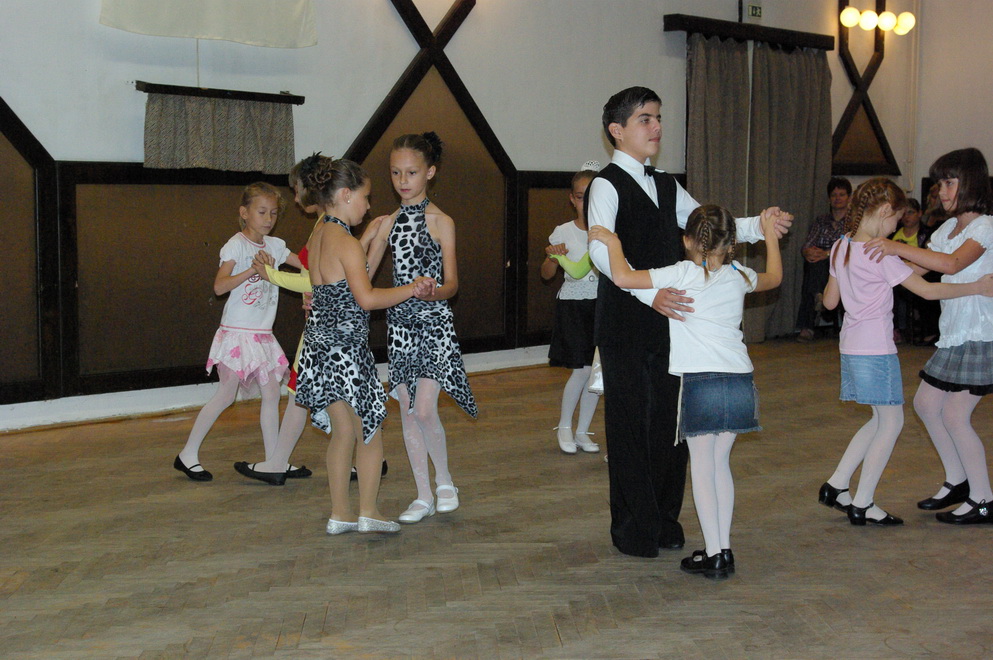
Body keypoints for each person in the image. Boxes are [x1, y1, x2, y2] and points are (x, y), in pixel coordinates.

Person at [584, 86, 792, 558]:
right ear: (617, 130)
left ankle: (664, 520)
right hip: (626, 322)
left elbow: (708, 229)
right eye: (645, 119)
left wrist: (762, 225)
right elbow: (600, 251)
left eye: (658, 117)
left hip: (671, 323)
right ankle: (634, 529)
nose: (657, 126)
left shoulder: (665, 184)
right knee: (630, 425)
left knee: (670, 423)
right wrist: (651, 295)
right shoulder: (605, 184)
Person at [589, 204, 782, 580]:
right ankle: (723, 547)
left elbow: (624, 277)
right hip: (741, 382)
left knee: (704, 469)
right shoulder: (739, 274)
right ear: (731, 244)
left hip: (701, 383)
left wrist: (613, 243)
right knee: (720, 465)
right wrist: (770, 235)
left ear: (688, 240)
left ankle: (714, 553)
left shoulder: (682, 272)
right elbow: (774, 277)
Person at [817, 177, 993, 526]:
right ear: (885, 211)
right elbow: (927, 292)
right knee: (891, 422)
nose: (896, 228)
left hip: (850, 347)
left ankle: (836, 485)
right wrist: (976, 287)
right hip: (877, 350)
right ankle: (863, 502)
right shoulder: (881, 254)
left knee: (878, 419)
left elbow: (829, 302)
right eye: (896, 219)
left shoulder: (840, 246)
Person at [292, 157, 435, 535]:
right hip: (347, 351)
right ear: (344, 194)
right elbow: (367, 298)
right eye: (365, 197)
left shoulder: (321, 235)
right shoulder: (346, 243)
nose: (368, 205)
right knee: (370, 431)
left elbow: (352, 284)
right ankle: (368, 511)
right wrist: (412, 288)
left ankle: (340, 513)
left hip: (321, 348)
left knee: (343, 433)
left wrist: (373, 238)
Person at [233, 154, 387, 485]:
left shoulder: (327, 228)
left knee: (314, 396)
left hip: (329, 331)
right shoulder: (328, 228)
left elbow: (322, 280)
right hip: (326, 328)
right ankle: (353, 462)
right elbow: (337, 273)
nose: (295, 197)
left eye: (296, 189)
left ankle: (290, 463)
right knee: (317, 397)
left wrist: (272, 275)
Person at [864, 148, 993, 524]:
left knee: (955, 415)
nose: (942, 191)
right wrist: (869, 264)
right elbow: (914, 268)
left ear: (971, 182)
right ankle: (958, 481)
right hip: (954, 334)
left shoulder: (985, 227)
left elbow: (951, 264)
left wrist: (893, 247)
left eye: (950, 182)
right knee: (925, 404)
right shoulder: (943, 231)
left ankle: (984, 498)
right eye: (940, 184)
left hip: (981, 333)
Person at [364, 132, 478, 525]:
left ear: (430, 172)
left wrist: (433, 292)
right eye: (395, 172)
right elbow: (364, 274)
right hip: (400, 326)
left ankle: (445, 481)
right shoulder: (388, 223)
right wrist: (365, 237)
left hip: (434, 324)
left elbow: (452, 284)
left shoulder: (442, 222)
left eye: (411, 172)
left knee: (425, 408)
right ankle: (423, 494)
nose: (402, 180)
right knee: (408, 411)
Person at [174, 183, 300, 481]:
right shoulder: (236, 245)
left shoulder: (276, 246)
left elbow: (306, 264)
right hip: (236, 335)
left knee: (272, 393)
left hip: (263, 335)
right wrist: (254, 270)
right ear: (244, 213)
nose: (268, 219)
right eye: (262, 212)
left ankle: (274, 461)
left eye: (273, 213)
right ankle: (187, 454)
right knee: (226, 394)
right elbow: (220, 286)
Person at [540, 162, 602, 454]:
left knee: (596, 373)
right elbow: (546, 275)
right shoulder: (563, 231)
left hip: (601, 306)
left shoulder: (609, 231)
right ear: (572, 199)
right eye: (580, 197)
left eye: (591, 196)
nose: (585, 203)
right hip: (574, 307)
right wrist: (553, 257)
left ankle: (583, 431)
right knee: (581, 370)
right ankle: (565, 426)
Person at [796, 177, 851, 342]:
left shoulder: (853, 222)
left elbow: (852, 247)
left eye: (842, 194)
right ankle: (818, 296)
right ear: (829, 199)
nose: (837, 198)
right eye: (834, 195)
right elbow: (808, 243)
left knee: (820, 264)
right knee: (813, 264)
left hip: (843, 264)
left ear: (849, 198)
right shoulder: (821, 220)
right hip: (819, 262)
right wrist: (807, 252)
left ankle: (811, 315)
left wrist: (827, 253)